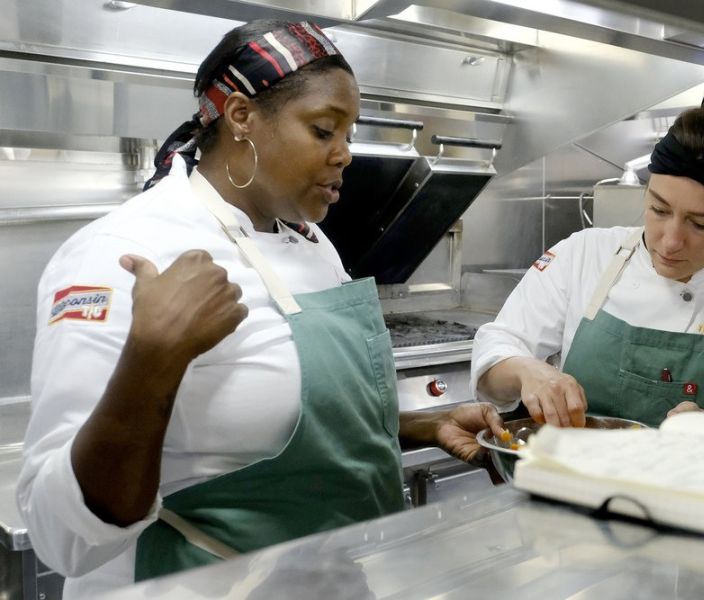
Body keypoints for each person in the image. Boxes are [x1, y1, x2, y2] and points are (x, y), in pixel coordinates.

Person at [17, 20, 504, 598]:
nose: (345, 154)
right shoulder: (125, 251)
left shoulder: (310, 240)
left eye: (349, 133)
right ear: (242, 116)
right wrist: (152, 361)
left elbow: (260, 428)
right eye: (324, 130)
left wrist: (406, 426)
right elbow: (60, 537)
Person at [471, 86, 704, 429]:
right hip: (571, 479)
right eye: (658, 209)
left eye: (700, 224)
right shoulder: (583, 255)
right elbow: (495, 355)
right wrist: (527, 371)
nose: (670, 242)